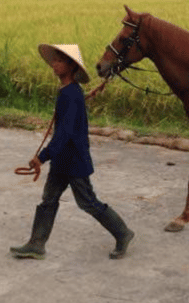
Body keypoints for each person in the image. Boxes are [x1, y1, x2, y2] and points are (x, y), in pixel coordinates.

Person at [11, 44, 135, 260]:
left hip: (74, 160)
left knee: (87, 202)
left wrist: (42, 157)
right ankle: (36, 244)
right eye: (54, 60)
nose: (54, 64)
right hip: (62, 160)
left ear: (71, 66)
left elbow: (64, 134)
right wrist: (49, 156)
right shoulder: (69, 91)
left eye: (60, 61)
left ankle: (123, 233)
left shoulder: (71, 94)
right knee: (48, 200)